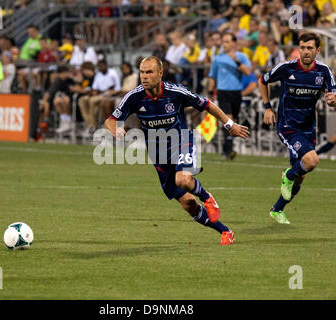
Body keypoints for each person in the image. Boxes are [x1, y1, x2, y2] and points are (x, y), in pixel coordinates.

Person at [104, 56, 250, 245]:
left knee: (182, 179)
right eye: (141, 72)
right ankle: (225, 231)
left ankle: (207, 198)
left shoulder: (176, 92)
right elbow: (110, 120)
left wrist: (229, 124)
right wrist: (115, 129)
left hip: (181, 142)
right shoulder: (134, 96)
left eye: (149, 72)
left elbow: (206, 104)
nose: (144, 76)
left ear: (160, 73)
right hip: (158, 154)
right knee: (188, 204)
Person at [258, 32, 336, 225]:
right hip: (288, 125)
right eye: (302, 47)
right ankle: (287, 175)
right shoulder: (287, 68)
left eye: (310, 48)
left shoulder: (324, 71)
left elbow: (334, 97)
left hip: (308, 127)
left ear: (318, 51)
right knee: (311, 161)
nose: (305, 51)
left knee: (301, 175)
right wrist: (267, 108)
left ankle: (277, 210)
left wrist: (332, 100)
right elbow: (262, 81)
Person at [208, 32, 252, 160]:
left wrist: (236, 61)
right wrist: (211, 92)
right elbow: (212, 76)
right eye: (224, 41)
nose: (224, 44)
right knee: (228, 119)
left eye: (227, 41)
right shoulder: (218, 58)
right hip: (223, 92)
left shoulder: (241, 57)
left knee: (234, 122)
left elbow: (248, 72)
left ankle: (227, 148)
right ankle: (228, 150)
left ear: (234, 43)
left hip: (236, 93)